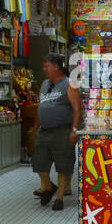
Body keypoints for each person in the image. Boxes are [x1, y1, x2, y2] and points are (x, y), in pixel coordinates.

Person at [33, 54, 81, 211]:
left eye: (47, 66)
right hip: (44, 130)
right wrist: (35, 127)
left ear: (56, 67)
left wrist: (74, 130)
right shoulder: (45, 84)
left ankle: (59, 197)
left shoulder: (69, 84)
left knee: (63, 165)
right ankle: (48, 186)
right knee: (39, 163)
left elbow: (77, 109)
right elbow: (40, 106)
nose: (44, 69)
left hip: (62, 130)